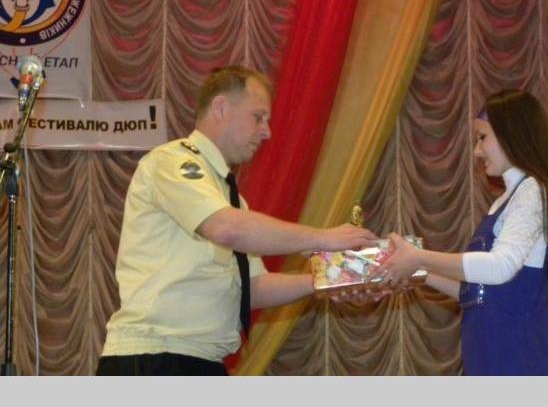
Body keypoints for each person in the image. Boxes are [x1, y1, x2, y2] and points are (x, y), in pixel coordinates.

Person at [96, 66, 376, 376]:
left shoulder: (230, 199)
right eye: (258, 117)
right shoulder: (172, 161)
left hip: (199, 361)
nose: (267, 132)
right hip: (153, 356)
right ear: (220, 108)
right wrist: (325, 238)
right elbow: (225, 229)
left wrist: (333, 277)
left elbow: (252, 288)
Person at [376, 89, 548, 375]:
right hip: (488, 360)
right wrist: (419, 273)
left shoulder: (531, 192)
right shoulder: (502, 202)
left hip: (516, 363)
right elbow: (477, 292)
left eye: (482, 137)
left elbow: (500, 267)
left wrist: (419, 258)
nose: (476, 151)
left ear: (510, 134)